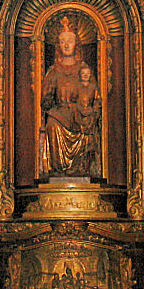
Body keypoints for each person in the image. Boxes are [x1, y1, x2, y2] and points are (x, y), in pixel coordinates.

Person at [39, 17, 100, 177]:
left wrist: (90, 113)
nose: (66, 45)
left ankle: (81, 169)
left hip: (80, 116)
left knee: (87, 130)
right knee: (52, 125)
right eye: (62, 41)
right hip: (59, 115)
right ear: (58, 46)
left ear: (76, 45)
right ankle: (58, 170)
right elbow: (45, 101)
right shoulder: (54, 70)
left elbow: (96, 97)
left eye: (70, 41)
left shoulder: (84, 69)